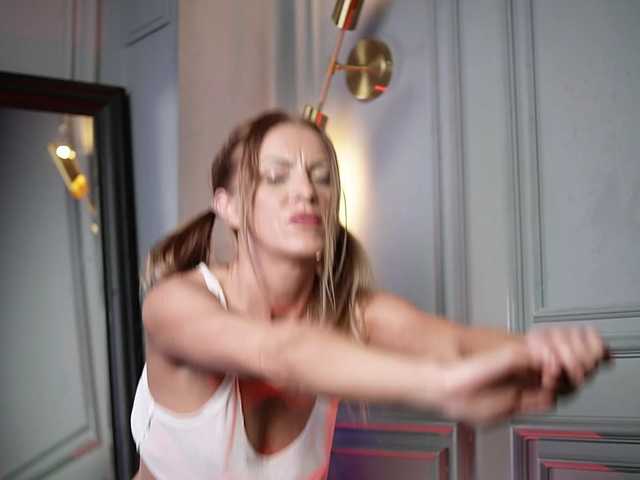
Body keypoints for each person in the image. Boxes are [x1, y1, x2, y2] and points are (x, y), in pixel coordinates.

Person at [130, 110, 608, 479]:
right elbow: (279, 352)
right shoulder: (174, 305)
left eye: (321, 177)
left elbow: (458, 344)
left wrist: (546, 355)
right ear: (229, 207)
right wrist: (444, 387)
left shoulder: (353, 315)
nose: (305, 191)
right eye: (276, 176)